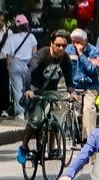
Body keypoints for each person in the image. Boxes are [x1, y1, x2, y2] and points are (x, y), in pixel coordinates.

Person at [21, 28, 73, 169]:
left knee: (54, 120)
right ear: (51, 43)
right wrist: (28, 90)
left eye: (64, 45)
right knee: (36, 120)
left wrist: (71, 90)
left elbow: (68, 75)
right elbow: (28, 73)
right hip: (35, 89)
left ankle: (52, 148)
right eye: (58, 45)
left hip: (51, 91)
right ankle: (24, 146)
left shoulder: (65, 58)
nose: (61, 48)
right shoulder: (41, 55)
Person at [0, 15, 37, 121]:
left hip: (15, 64)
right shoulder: (32, 37)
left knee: (17, 90)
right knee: (29, 89)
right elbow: (35, 53)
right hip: (29, 65)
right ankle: (30, 111)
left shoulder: (11, 38)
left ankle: (20, 113)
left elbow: (8, 55)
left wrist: (8, 67)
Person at [68, 27, 99, 137]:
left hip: (89, 86)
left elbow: (92, 69)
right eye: (73, 42)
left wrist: (81, 54)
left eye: (78, 42)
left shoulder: (93, 51)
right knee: (66, 105)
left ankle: (89, 138)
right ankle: (70, 131)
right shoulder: (68, 50)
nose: (75, 44)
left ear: (85, 41)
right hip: (73, 86)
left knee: (89, 109)